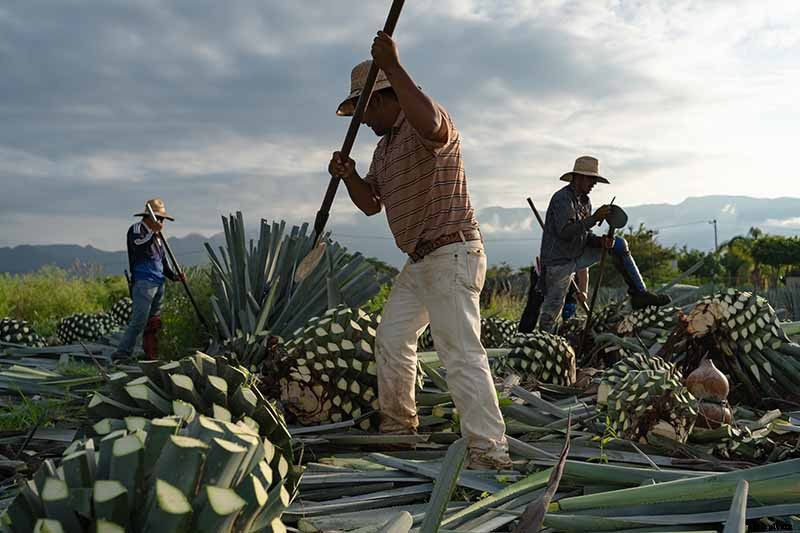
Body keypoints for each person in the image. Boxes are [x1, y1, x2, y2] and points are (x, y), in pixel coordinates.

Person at [328, 32, 511, 470]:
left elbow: (430, 122)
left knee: (459, 351)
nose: (364, 120)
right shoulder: (383, 149)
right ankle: (399, 428)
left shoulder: (427, 123)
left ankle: (489, 450)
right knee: (392, 339)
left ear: (384, 98)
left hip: (452, 252)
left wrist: (392, 65)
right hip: (419, 261)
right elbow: (372, 204)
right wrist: (349, 175)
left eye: (365, 108)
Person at [537, 156, 671, 333]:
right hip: (558, 261)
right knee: (552, 310)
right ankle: (544, 342)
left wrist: (600, 242)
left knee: (619, 245)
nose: (593, 184)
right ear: (579, 177)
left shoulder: (585, 202)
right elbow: (565, 232)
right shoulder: (562, 199)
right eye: (591, 179)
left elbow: (584, 234)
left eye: (594, 180)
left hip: (577, 254)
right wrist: (594, 219)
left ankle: (639, 293)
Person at [111, 199, 184, 361]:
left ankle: (150, 354)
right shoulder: (137, 229)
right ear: (148, 217)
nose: (161, 222)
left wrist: (173, 276)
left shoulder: (158, 237)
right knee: (139, 320)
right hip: (144, 282)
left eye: (162, 219)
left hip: (159, 282)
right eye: (158, 218)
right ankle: (122, 353)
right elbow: (139, 245)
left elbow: (162, 261)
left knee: (153, 322)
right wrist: (153, 233)